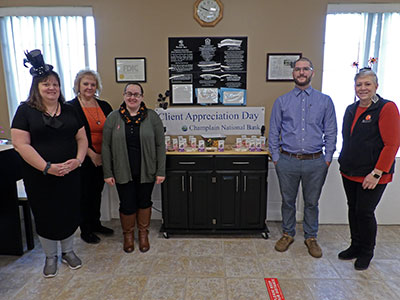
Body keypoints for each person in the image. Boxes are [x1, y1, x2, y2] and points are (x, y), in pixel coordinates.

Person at [11, 49, 88, 277]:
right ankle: (50, 256)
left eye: (55, 84)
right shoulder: (25, 111)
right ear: (37, 87)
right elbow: (21, 144)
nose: (51, 88)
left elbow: (82, 138)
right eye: (46, 84)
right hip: (40, 175)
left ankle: (68, 251)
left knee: (69, 211)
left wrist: (78, 160)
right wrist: (47, 167)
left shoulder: (71, 110)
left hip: (70, 173)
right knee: (46, 213)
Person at [268, 57, 337, 258]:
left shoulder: (325, 101)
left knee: (311, 202)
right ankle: (288, 234)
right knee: (288, 200)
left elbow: (331, 131)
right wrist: (276, 157)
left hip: (316, 161)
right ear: (293, 74)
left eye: (305, 69)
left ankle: (311, 237)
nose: (301, 72)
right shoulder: (282, 101)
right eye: (298, 69)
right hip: (287, 160)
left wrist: (327, 158)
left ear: (312, 73)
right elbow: (274, 131)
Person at [338, 68, 400, 270]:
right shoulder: (350, 109)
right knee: (353, 210)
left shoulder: (386, 108)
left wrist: (376, 172)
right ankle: (355, 245)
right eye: (359, 84)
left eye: (367, 84)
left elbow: (392, 144)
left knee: (365, 212)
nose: (362, 88)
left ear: (376, 86)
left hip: (373, 174)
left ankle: (366, 251)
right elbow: (348, 139)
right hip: (350, 171)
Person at [102, 82, 166, 253]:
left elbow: (161, 145)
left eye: (136, 94)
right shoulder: (113, 117)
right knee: (127, 204)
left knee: (144, 202)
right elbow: (106, 147)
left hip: (147, 170)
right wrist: (107, 172)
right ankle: (128, 236)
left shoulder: (152, 117)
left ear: (142, 97)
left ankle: (143, 234)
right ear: (124, 96)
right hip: (122, 170)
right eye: (129, 93)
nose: (132, 97)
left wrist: (161, 171)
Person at [68, 70, 114, 244]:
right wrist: (92, 154)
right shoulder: (70, 107)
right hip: (83, 158)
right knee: (84, 194)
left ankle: (96, 223)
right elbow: (73, 135)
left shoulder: (104, 106)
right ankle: (85, 229)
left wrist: (104, 155)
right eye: (85, 84)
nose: (89, 87)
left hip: (103, 157)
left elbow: (112, 131)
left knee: (97, 192)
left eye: (92, 84)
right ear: (78, 85)